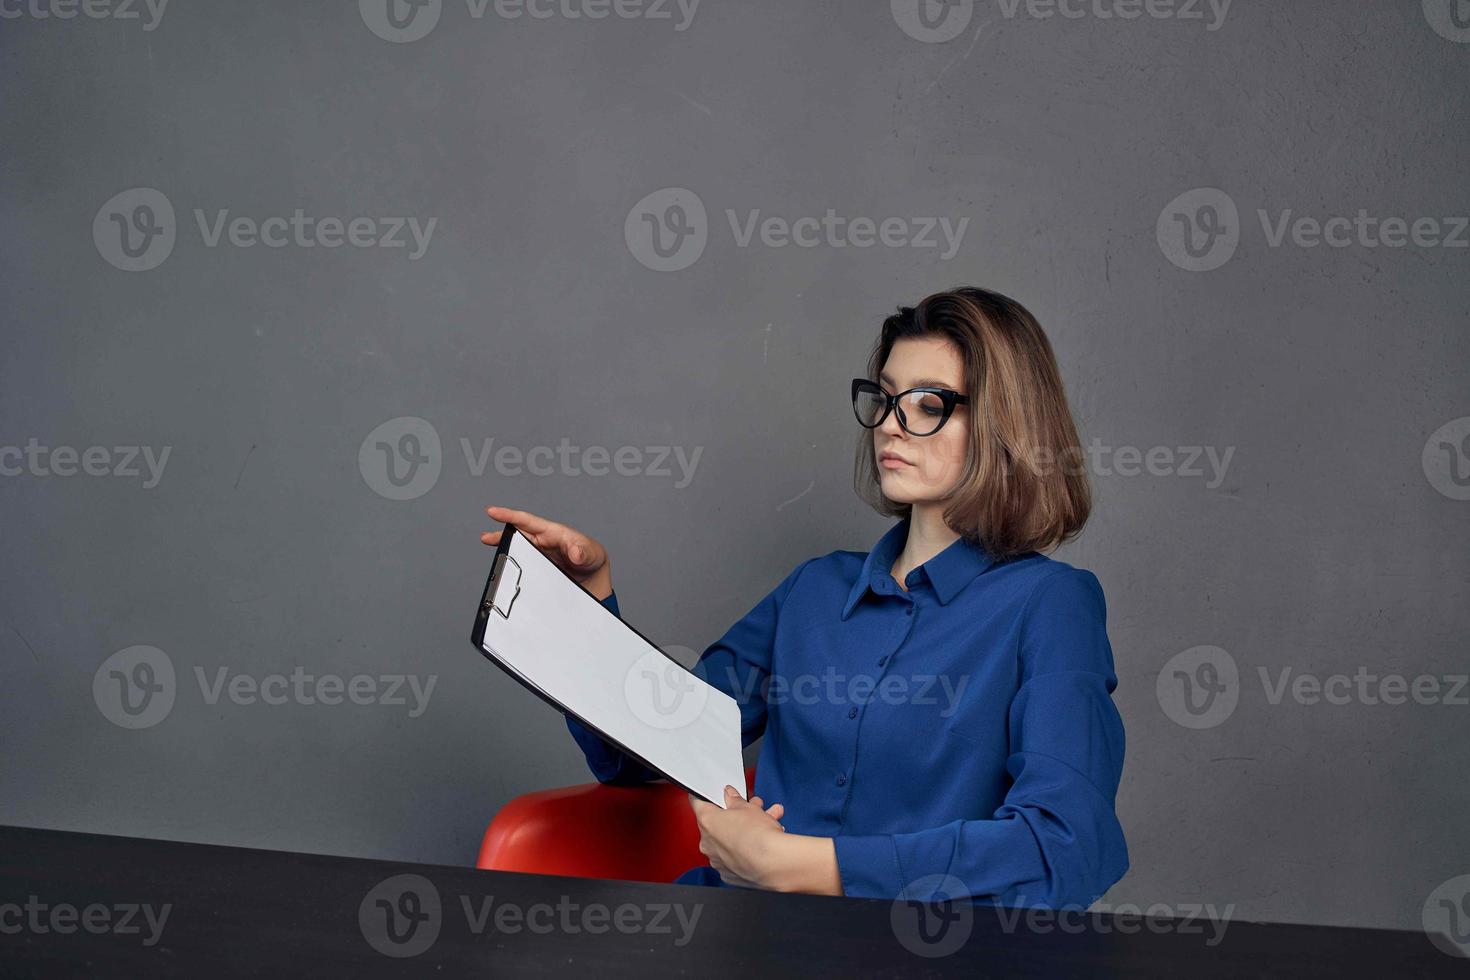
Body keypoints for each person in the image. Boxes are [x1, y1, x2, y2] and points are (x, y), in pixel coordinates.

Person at [479, 286, 1128, 906]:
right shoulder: (815, 589)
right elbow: (656, 753)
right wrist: (587, 614)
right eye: (887, 398)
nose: (891, 428)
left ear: (1002, 425)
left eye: (929, 404)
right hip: (736, 927)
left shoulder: (1050, 605)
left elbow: (1066, 845)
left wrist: (800, 867)